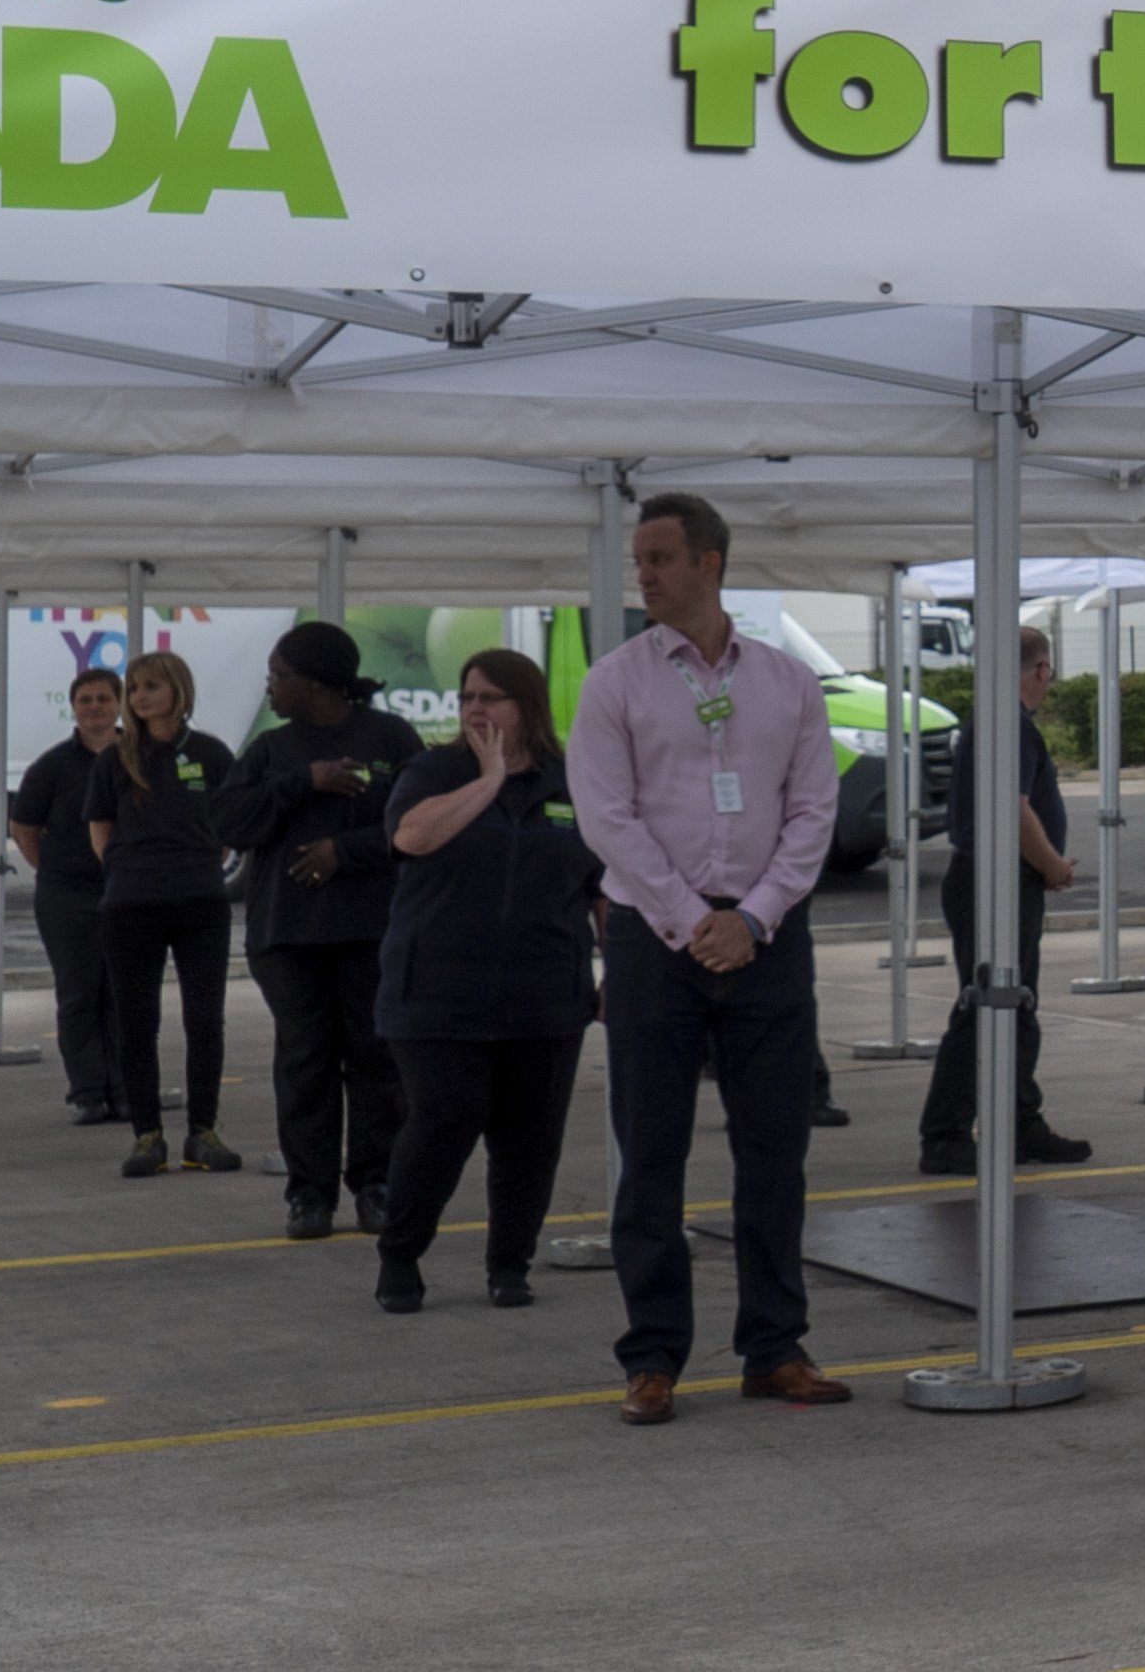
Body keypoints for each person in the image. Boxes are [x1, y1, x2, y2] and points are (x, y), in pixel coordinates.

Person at [568, 490, 847, 1425]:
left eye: (657, 558)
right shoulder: (616, 682)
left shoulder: (786, 681)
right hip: (654, 939)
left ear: (709, 564)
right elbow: (608, 818)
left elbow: (814, 810)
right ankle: (652, 1358)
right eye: (639, 560)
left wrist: (757, 916)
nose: (641, 574)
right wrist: (694, 919)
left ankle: (775, 1346)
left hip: (766, 939)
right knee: (650, 1155)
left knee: (776, 1152)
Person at [372, 650, 599, 1314]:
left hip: (544, 995)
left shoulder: (570, 783)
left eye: (492, 698)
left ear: (526, 706)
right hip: (437, 996)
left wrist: (615, 971)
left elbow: (602, 886)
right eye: (467, 696)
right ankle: (400, 1257)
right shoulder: (432, 771)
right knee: (444, 1120)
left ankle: (510, 1264)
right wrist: (489, 778)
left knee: (530, 1138)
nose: (475, 708)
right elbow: (412, 837)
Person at [223, 621, 418, 1240]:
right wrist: (302, 782)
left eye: (279, 676)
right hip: (289, 935)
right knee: (304, 1060)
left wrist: (346, 850)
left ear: (315, 682)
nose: (271, 688)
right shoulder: (272, 750)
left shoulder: (390, 738)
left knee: (374, 1057)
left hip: (372, 929)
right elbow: (229, 821)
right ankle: (309, 1194)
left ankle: (376, 1183)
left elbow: (422, 827)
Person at [915, 625, 1096, 1178]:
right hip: (996, 881)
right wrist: (1051, 864)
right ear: (1040, 671)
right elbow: (1014, 810)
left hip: (992, 879)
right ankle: (945, 1134)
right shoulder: (1010, 726)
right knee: (986, 1003)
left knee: (1013, 1004)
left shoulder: (992, 722)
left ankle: (1019, 1121)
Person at [83, 651, 243, 1178]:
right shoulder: (115, 758)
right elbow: (99, 828)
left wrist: (194, 863)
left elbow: (228, 825)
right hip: (130, 904)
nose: (141, 697)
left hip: (200, 900)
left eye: (151, 686)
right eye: (134, 689)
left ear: (178, 689)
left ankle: (203, 1130)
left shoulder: (212, 753)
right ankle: (147, 1135)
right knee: (136, 1022)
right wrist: (128, 870)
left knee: (204, 1019)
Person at [4, 664, 127, 1122]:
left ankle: (126, 1087)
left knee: (122, 993)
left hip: (128, 895)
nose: (94, 707)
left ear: (119, 704)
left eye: (103, 699)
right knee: (78, 993)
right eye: (85, 700)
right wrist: (55, 870)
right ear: (73, 708)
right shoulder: (52, 766)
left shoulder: (138, 758)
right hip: (68, 897)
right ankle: (88, 1091)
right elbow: (23, 827)